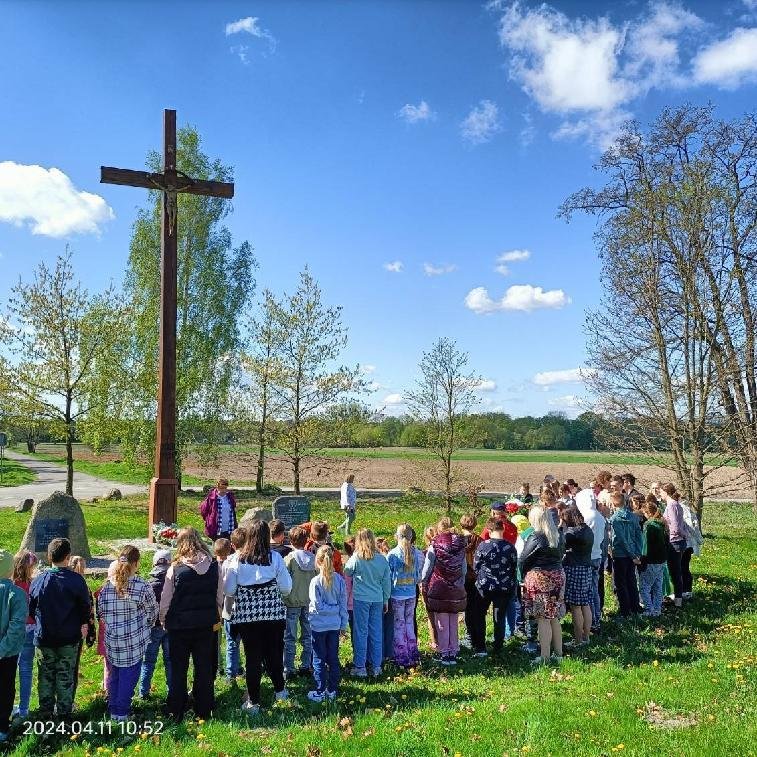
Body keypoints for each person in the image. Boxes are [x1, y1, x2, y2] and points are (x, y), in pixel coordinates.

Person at [224, 520, 292, 714]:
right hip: (273, 615)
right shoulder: (275, 558)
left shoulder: (238, 560)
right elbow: (286, 588)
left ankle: (253, 702)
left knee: (252, 658)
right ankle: (280, 692)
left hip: (248, 617)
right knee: (274, 653)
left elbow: (229, 590)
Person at [160, 527, 223, 721]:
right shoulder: (214, 566)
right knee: (204, 666)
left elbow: (166, 599)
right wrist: (216, 614)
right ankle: (204, 707)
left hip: (179, 625)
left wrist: (163, 619)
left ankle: (176, 708)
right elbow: (219, 595)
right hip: (205, 623)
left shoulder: (175, 568)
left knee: (178, 668)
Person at [29, 537, 91, 719]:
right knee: (65, 675)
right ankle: (64, 713)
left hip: (44, 637)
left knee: (45, 676)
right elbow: (85, 607)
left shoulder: (39, 581)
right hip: (68, 638)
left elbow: (31, 608)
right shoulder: (76, 581)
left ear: (49, 556)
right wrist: (83, 622)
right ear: (68, 556)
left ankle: (45, 712)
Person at [97, 545, 158, 721]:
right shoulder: (142, 585)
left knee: (114, 675)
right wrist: (146, 626)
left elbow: (101, 612)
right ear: (137, 563)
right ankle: (122, 712)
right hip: (133, 640)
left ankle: (113, 709)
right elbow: (152, 611)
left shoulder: (107, 586)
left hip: (112, 639)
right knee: (128, 676)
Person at [519, 505, 565, 665]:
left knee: (542, 618)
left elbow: (523, 559)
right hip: (557, 575)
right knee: (554, 617)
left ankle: (545, 656)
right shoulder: (558, 534)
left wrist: (522, 575)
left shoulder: (536, 536)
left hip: (540, 578)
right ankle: (558, 653)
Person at [343, 529, 391, 678]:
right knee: (376, 632)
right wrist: (386, 599)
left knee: (360, 633)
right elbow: (386, 582)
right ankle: (376, 666)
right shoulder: (382, 559)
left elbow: (347, 571)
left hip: (361, 599)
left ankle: (360, 666)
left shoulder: (356, 558)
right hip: (377, 599)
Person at [421, 517, 467, 666]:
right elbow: (464, 568)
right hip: (456, 586)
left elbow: (428, 567)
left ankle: (445, 652)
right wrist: (460, 582)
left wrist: (423, 580)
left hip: (439, 586)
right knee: (453, 620)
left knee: (441, 622)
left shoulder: (435, 544)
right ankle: (454, 650)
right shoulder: (461, 544)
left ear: (439, 529)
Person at [307, 545, 349, 702]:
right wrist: (343, 624)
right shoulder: (339, 580)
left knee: (319, 658)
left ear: (318, 562)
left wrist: (332, 610)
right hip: (334, 625)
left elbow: (317, 606)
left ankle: (320, 691)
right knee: (333, 657)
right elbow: (343, 605)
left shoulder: (315, 582)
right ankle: (332, 690)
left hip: (318, 626)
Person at [471, 519, 518, 657]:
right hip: (504, 587)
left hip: (484, 586)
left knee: (480, 615)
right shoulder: (510, 547)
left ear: (489, 530)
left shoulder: (483, 546)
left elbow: (476, 566)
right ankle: (498, 647)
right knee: (499, 617)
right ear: (503, 529)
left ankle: (480, 647)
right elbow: (514, 567)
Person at [387, 524, 424, 668]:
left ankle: (401, 656)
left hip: (397, 595)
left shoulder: (393, 554)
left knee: (399, 625)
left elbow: (388, 576)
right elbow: (418, 576)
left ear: (397, 536)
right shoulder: (415, 553)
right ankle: (413, 653)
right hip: (411, 593)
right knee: (409, 623)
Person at [283, 526, 317, 679]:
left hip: (292, 601)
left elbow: (284, 580)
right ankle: (305, 665)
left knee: (290, 636)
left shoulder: (289, 559)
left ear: (291, 541)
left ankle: (289, 668)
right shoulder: (313, 558)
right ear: (306, 541)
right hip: (308, 601)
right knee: (307, 635)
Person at [0, 550, 27, 744]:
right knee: (5, 687)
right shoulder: (17, 593)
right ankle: (2, 728)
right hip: (8, 653)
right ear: (11, 569)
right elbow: (17, 626)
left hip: (6, 651)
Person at [138, 549, 172, 699]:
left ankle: (143, 692)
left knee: (148, 661)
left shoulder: (149, 584)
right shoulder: (174, 583)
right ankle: (172, 690)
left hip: (152, 627)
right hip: (170, 626)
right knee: (170, 661)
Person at [575, 480, 607, 634]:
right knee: (593, 589)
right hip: (596, 555)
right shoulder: (598, 516)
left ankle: (593, 620)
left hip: (588, 557)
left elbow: (582, 537)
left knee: (589, 591)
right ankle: (595, 618)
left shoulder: (588, 517)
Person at [560, 505, 594, 645]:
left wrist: (560, 528)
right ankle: (586, 637)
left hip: (574, 569)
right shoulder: (587, 529)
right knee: (585, 603)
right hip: (586, 568)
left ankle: (578, 640)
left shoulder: (572, 533)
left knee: (575, 606)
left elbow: (560, 544)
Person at [11, 550, 37, 718]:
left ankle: (8, 704)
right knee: (26, 670)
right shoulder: (33, 585)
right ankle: (24, 708)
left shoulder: (11, 585)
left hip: (13, 630)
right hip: (30, 629)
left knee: (9, 671)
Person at [609, 491, 643, 617]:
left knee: (621, 583)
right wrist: (637, 553)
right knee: (631, 580)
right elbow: (639, 536)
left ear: (613, 503)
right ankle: (635, 606)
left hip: (620, 554)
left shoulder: (615, 518)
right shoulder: (633, 517)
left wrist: (632, 554)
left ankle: (625, 610)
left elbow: (621, 539)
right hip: (632, 553)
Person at [69, 555, 96, 702]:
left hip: (59, 629)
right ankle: (70, 700)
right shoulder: (84, 586)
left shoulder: (63, 582)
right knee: (73, 667)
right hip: (78, 631)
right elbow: (89, 611)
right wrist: (91, 634)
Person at [639, 501, 667, 617]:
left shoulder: (649, 525)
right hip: (661, 560)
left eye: (644, 513)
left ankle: (649, 609)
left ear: (648, 513)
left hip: (650, 560)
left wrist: (642, 559)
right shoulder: (661, 524)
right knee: (657, 586)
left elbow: (645, 545)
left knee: (644, 586)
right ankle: (657, 609)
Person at [93, 562, 117, 697]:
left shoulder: (101, 591)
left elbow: (98, 614)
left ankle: (107, 688)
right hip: (114, 632)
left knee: (108, 664)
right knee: (112, 665)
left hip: (105, 631)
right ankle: (110, 692)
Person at [661, 484, 686, 609]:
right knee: (676, 572)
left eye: (662, 492)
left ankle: (678, 601)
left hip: (674, 542)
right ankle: (677, 599)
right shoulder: (676, 504)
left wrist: (668, 532)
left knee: (675, 572)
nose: (660, 494)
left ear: (666, 492)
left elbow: (675, 527)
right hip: (678, 541)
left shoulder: (671, 505)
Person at [460, 514, 482, 650]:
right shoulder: (479, 540)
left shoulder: (458, 541)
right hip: (476, 576)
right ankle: (476, 636)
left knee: (466, 607)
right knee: (475, 608)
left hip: (463, 576)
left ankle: (469, 635)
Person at [679, 494, 703, 599]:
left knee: (683, 567)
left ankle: (686, 591)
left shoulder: (684, 509)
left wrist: (698, 539)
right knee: (684, 567)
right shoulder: (684, 508)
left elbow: (692, 527)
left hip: (686, 543)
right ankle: (684, 591)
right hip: (686, 543)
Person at [420, 526, 439, 652]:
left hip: (429, 586)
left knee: (431, 615)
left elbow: (424, 571)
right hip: (441, 585)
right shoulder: (442, 550)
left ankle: (435, 642)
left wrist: (422, 581)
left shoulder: (425, 553)